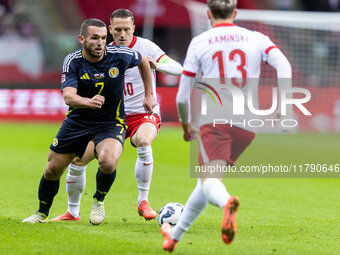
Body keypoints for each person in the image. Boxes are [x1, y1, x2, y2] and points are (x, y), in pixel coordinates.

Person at [161, 0, 292, 252]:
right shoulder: (256, 38)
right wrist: (284, 103)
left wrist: (186, 124)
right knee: (205, 182)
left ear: (208, 13)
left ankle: (226, 203)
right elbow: (283, 65)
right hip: (246, 125)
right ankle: (174, 237)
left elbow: (181, 96)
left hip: (215, 121)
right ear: (236, 13)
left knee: (211, 182)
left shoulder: (200, 42)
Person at [50, 9, 183, 223]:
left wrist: (156, 65)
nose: (122, 34)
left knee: (142, 140)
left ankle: (143, 201)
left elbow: (178, 68)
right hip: (112, 118)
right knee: (78, 159)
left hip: (143, 114)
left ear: (133, 29)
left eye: (126, 29)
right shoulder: (104, 51)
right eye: (117, 30)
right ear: (110, 30)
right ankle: (73, 212)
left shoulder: (146, 47)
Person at [23, 18, 156, 223]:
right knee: (52, 169)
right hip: (78, 121)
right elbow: (68, 97)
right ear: (82, 39)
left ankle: (98, 201)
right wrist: (87, 101)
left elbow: (143, 61)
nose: (100, 43)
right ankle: (41, 213)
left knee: (108, 161)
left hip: (111, 122)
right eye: (95, 38)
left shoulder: (120, 55)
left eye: (103, 38)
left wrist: (149, 94)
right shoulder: (73, 61)